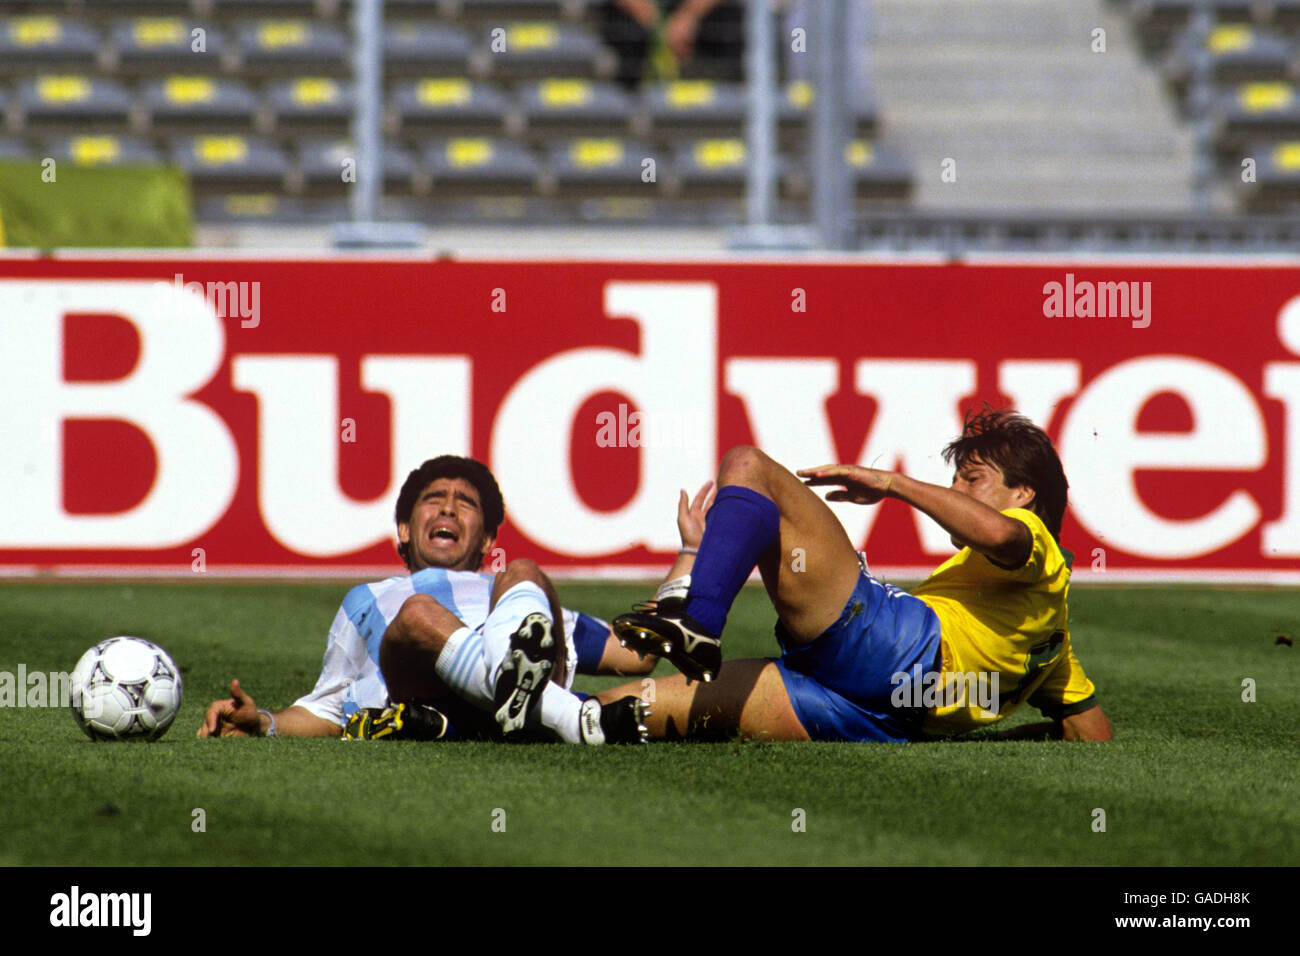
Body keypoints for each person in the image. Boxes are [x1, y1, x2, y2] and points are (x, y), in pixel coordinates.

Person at [601, 408, 1114, 744]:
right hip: (871, 712)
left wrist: (891, 482)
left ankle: (698, 619)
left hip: (891, 648)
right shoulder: (1052, 644)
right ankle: (543, 710)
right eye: (955, 478)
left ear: (1024, 495)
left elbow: (1002, 536)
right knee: (620, 713)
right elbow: (1093, 736)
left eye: (972, 479)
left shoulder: (1034, 542)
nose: (956, 490)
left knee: (748, 466)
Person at [197, 455, 663, 744]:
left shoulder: (516, 597)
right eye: (434, 499)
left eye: (466, 503)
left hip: (431, 717)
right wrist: (263, 722)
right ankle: (555, 711)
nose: (447, 508)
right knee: (418, 615)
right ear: (404, 529)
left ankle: (490, 713)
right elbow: (328, 707)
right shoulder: (369, 598)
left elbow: (638, 656)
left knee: (524, 570)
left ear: (485, 539)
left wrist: (691, 554)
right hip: (417, 681)